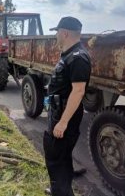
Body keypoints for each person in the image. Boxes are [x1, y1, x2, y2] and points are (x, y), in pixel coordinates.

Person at [43, 17, 91, 196]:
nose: (56, 36)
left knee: (56, 160)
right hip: (58, 112)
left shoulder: (78, 58)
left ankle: (61, 192)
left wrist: (62, 122)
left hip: (64, 117)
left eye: (57, 32)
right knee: (62, 159)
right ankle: (60, 189)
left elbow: (78, 91)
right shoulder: (69, 54)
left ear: (64, 33)